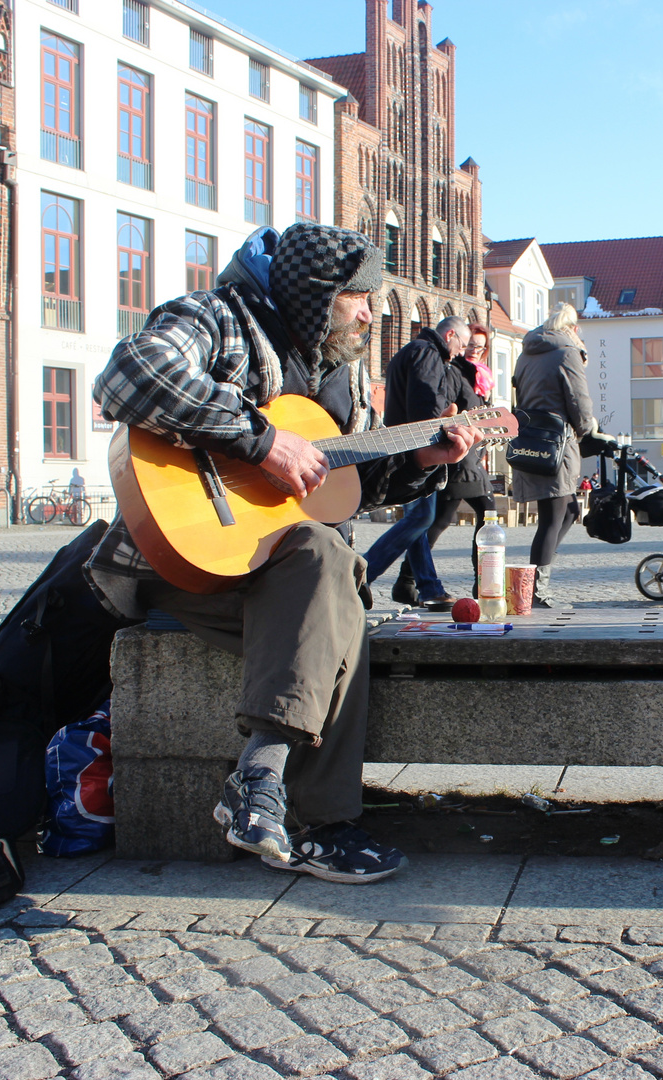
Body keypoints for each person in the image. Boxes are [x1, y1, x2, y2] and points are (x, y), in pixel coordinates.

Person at [89, 224, 481, 883]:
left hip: (284, 572)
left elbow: (337, 492)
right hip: (184, 561)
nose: (369, 311)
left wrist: (418, 460)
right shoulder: (219, 319)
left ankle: (280, 801)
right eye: (359, 295)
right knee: (332, 572)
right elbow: (127, 375)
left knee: (341, 587)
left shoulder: (341, 378)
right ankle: (304, 813)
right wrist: (260, 441)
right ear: (317, 293)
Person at [362, 316, 472, 610]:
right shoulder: (428, 353)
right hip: (414, 450)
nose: (460, 352)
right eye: (461, 344)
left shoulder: (412, 350)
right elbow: (424, 407)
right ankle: (362, 572)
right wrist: (449, 416)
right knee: (421, 517)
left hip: (404, 445)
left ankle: (427, 587)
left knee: (419, 520)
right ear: (449, 335)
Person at [510, 303, 611, 607]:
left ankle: (539, 577)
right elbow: (579, 400)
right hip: (556, 441)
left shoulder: (526, 352)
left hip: (531, 435)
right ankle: (535, 591)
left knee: (568, 511)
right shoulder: (568, 352)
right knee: (552, 518)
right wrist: (586, 430)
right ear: (573, 329)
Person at [394, 324, 498, 601]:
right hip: (456, 453)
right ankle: (483, 585)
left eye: (479, 346)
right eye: (470, 345)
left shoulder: (477, 375)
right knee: (468, 513)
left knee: (437, 518)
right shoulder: (452, 368)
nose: (473, 351)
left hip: (467, 455)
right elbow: (441, 407)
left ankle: (408, 582)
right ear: (455, 340)